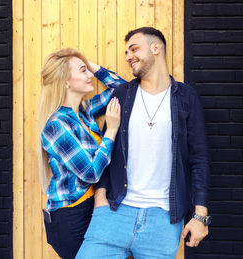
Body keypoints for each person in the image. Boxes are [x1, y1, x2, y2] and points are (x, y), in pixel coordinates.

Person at [76, 27, 211, 259]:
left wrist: (200, 216)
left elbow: (199, 158)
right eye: (126, 51)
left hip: (164, 219)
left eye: (134, 48)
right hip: (114, 212)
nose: (128, 56)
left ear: (156, 48)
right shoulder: (122, 94)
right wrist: (100, 199)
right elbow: (109, 150)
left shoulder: (186, 98)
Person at [38, 48, 126, 259]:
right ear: (65, 81)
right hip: (70, 217)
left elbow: (123, 89)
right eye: (83, 71)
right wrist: (111, 130)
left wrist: (92, 66)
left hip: (90, 208)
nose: (90, 77)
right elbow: (91, 173)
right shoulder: (56, 125)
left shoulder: (84, 112)